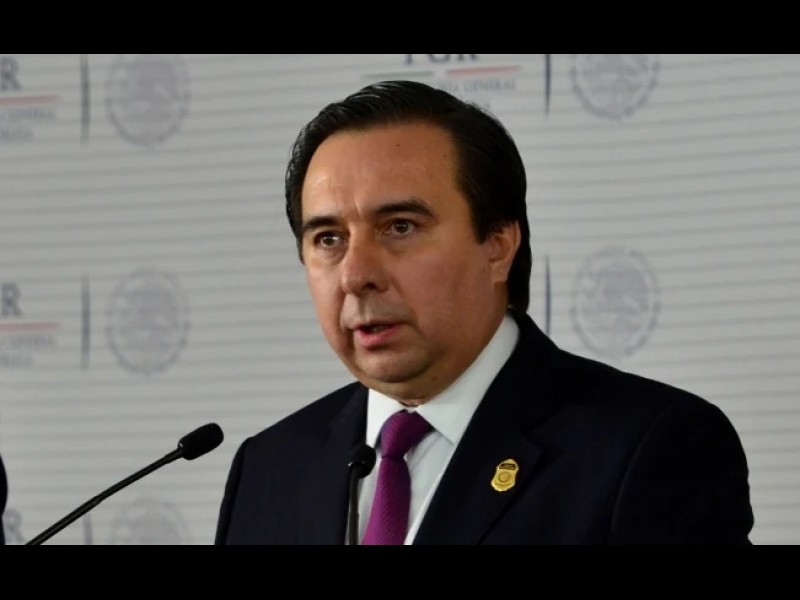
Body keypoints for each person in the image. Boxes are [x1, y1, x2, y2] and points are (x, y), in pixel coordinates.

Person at [215, 79, 754, 545]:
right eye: (329, 238)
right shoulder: (270, 468)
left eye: (400, 227)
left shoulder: (648, 449)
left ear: (498, 245)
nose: (356, 275)